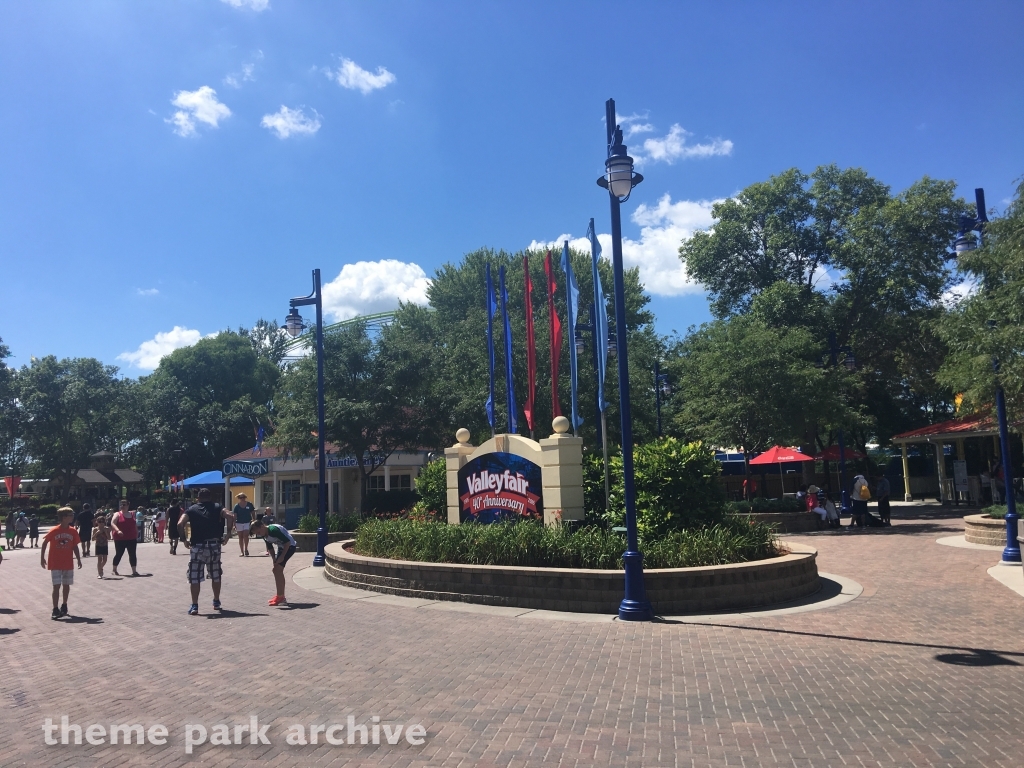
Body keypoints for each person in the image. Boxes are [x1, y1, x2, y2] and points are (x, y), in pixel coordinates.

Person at [180, 488, 235, 616]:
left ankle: (195, 605)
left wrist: (184, 540)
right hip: (214, 545)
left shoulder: (192, 509)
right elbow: (230, 516)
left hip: (197, 546)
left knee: (195, 577)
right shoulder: (217, 507)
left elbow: (179, 523)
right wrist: (227, 535)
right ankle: (216, 601)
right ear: (210, 497)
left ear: (198, 497)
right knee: (215, 574)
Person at [40, 507, 82, 619]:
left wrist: (78, 559)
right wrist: (42, 558)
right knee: (56, 585)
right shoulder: (54, 530)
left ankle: (64, 604)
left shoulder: (73, 531)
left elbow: (75, 546)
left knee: (66, 584)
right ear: (64, 517)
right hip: (55, 562)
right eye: (70, 515)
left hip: (67, 562)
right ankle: (55, 608)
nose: (72, 517)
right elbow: (44, 543)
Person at [249, 517, 296, 606]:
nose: (259, 534)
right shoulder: (264, 534)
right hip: (281, 547)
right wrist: (274, 559)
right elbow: (270, 547)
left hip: (289, 547)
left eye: (258, 532)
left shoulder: (273, 530)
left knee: (277, 570)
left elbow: (287, 542)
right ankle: (280, 596)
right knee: (276, 570)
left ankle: (281, 597)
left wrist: (282, 557)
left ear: (262, 526)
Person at [110, 500, 139, 576]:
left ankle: (134, 571)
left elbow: (134, 524)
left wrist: (137, 532)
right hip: (120, 538)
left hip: (131, 537)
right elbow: (112, 523)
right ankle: (114, 569)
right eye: (121, 505)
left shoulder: (132, 514)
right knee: (119, 554)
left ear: (128, 506)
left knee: (132, 554)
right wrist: (118, 530)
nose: (122, 506)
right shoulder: (117, 514)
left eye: (124, 504)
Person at [232, 492, 255, 557]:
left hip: (247, 522)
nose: (242, 499)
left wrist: (254, 520)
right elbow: (235, 515)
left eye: (243, 497)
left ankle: (246, 549)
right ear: (239, 498)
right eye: (240, 497)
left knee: (246, 535)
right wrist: (234, 524)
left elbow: (253, 512)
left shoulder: (249, 504)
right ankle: (242, 551)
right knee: (240, 537)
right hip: (239, 522)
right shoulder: (236, 506)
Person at [92, 514, 111, 579]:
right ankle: (99, 573)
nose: (101, 523)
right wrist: (97, 533)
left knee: (105, 560)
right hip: (98, 545)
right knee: (99, 559)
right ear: (97, 522)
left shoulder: (107, 528)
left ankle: (100, 567)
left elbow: (109, 538)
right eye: (99, 522)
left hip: (105, 545)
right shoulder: (95, 529)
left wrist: (106, 532)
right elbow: (92, 538)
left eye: (102, 521)